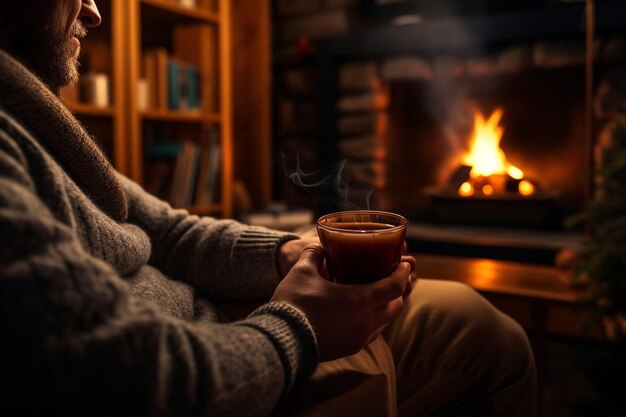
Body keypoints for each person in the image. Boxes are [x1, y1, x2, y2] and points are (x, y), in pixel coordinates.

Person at [0, 1, 537, 416]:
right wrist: (299, 325)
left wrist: (285, 252)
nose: (95, 11)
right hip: (225, 362)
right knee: (487, 347)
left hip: (227, 320)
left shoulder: (33, 122)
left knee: (483, 325)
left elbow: (168, 232)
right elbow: (123, 379)